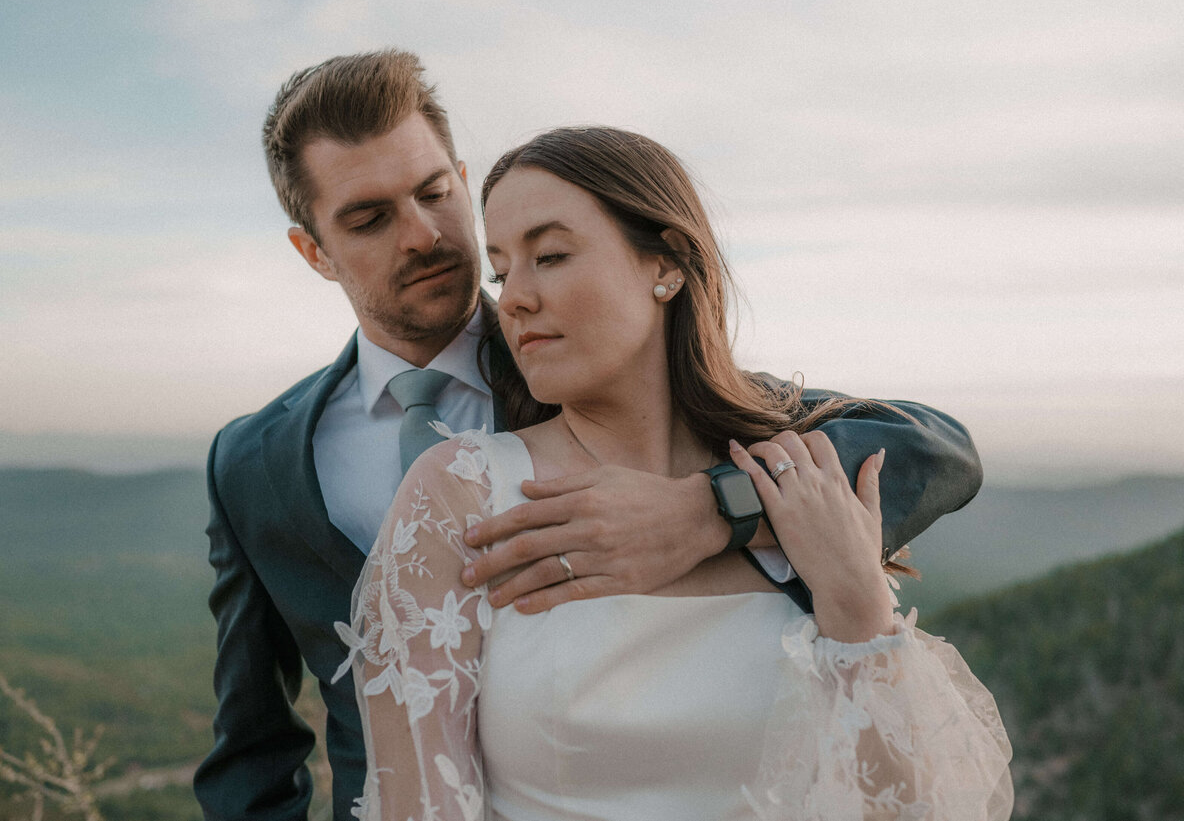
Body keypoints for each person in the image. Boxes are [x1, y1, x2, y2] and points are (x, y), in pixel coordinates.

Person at [195, 50, 985, 821]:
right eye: (369, 218)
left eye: (434, 194)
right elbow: (252, 747)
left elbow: (932, 447)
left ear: (462, 183)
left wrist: (710, 509)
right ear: (313, 252)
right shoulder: (254, 462)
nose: (423, 236)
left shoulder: (613, 359)